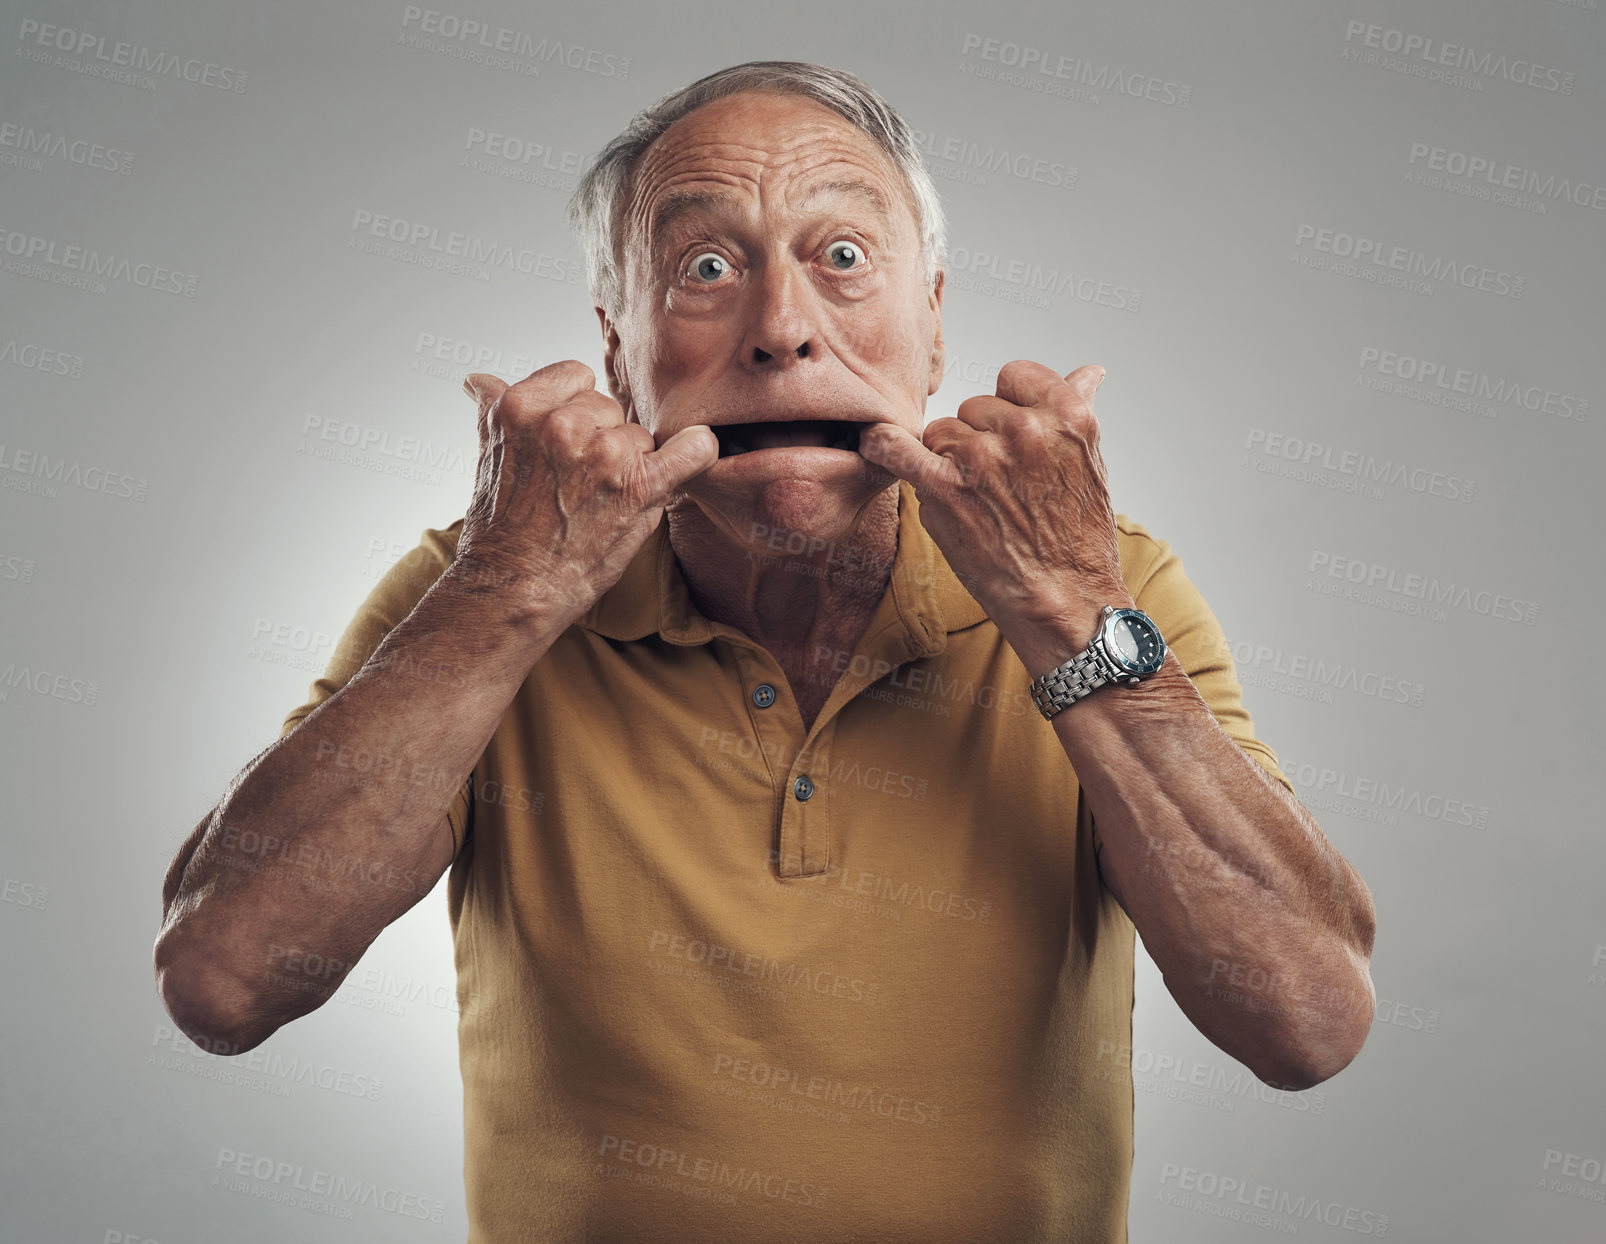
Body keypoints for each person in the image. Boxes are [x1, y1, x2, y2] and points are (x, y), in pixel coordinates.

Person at [155, 61, 1376, 1243]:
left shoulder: (1105, 589)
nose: (781, 330)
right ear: (618, 348)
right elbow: (223, 980)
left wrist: (1061, 608)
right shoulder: (479, 590)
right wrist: (507, 590)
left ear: (933, 324)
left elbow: (1307, 1021)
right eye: (703, 267)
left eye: (842, 258)